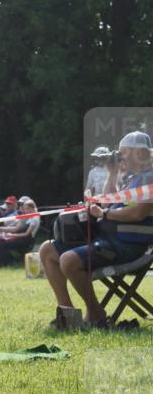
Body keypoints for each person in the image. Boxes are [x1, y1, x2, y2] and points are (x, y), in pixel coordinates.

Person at [40, 131, 153, 328]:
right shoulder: (132, 178)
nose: (120, 156)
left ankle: (96, 313)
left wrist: (104, 215)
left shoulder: (149, 178)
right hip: (109, 238)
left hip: (130, 246)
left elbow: (138, 214)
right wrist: (112, 172)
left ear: (140, 154)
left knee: (68, 260)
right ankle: (67, 315)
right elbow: (110, 201)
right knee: (47, 250)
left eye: (124, 152)